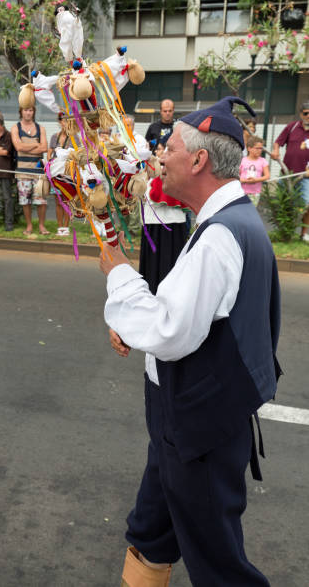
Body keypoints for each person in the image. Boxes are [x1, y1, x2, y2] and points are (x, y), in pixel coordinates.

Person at [100, 96, 281, 587]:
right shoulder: (231, 222)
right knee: (151, 533)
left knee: (220, 568)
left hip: (199, 424)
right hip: (186, 419)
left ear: (199, 160)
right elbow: (192, 315)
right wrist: (134, 321)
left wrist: (119, 275)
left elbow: (171, 330)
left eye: (170, 147)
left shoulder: (223, 234)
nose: (161, 156)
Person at [141, 139, 188, 294]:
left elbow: (155, 196)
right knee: (152, 265)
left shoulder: (174, 171)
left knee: (169, 263)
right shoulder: (148, 171)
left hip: (170, 224)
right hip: (152, 223)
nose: (161, 153)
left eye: (165, 150)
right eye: (159, 149)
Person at [271, 101, 309, 241]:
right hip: (287, 174)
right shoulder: (292, 127)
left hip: (306, 176)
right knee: (284, 202)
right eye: (306, 113)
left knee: (306, 205)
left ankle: (303, 234)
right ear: (301, 114)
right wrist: (275, 152)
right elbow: (278, 142)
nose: (308, 116)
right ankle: (284, 233)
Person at [11, 106, 48, 235]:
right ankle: (29, 226)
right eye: (26, 110)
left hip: (38, 171)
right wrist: (35, 144)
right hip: (22, 170)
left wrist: (26, 147)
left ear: (34, 112)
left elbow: (44, 148)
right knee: (25, 200)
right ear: (21, 111)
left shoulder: (40, 128)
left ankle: (42, 226)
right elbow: (18, 146)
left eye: (31, 110)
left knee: (41, 199)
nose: (28, 112)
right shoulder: (16, 128)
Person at [48, 111, 79, 236]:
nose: (64, 122)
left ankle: (66, 227)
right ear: (59, 122)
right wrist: (50, 161)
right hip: (56, 173)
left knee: (68, 200)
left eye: (66, 120)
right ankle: (59, 226)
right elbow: (49, 152)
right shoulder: (54, 137)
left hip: (69, 173)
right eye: (62, 120)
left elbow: (78, 154)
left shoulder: (75, 137)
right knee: (58, 200)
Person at [240, 136, 270, 207]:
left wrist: (256, 180)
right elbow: (236, 176)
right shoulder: (242, 160)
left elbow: (267, 176)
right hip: (241, 192)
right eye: (257, 148)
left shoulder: (263, 161)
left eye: (261, 148)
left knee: (251, 213)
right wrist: (244, 180)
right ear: (249, 148)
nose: (259, 150)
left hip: (255, 193)